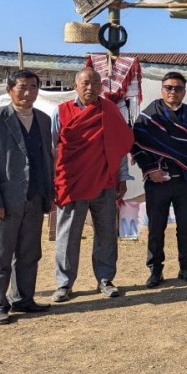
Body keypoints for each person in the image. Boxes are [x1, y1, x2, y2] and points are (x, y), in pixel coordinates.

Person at [0, 70, 55, 324]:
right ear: (9, 90)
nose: (28, 92)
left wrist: (48, 194)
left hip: (34, 199)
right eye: (22, 87)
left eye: (33, 87)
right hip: (4, 202)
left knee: (30, 253)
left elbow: (46, 160)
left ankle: (23, 299)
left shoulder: (42, 119)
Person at [51, 68, 134, 302]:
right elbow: (52, 149)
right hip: (72, 182)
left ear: (101, 86)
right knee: (68, 235)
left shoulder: (110, 110)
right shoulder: (61, 112)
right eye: (85, 83)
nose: (90, 88)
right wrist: (53, 182)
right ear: (76, 86)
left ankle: (105, 279)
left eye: (95, 83)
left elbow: (119, 148)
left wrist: (122, 177)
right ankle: (64, 284)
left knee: (106, 233)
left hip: (104, 182)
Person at [131, 72, 187, 287]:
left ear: (184, 91)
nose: (173, 91)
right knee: (156, 227)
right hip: (158, 181)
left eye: (178, 88)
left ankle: (186, 267)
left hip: (186, 180)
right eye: (169, 87)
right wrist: (151, 169)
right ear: (162, 89)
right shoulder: (149, 115)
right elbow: (136, 144)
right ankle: (155, 270)